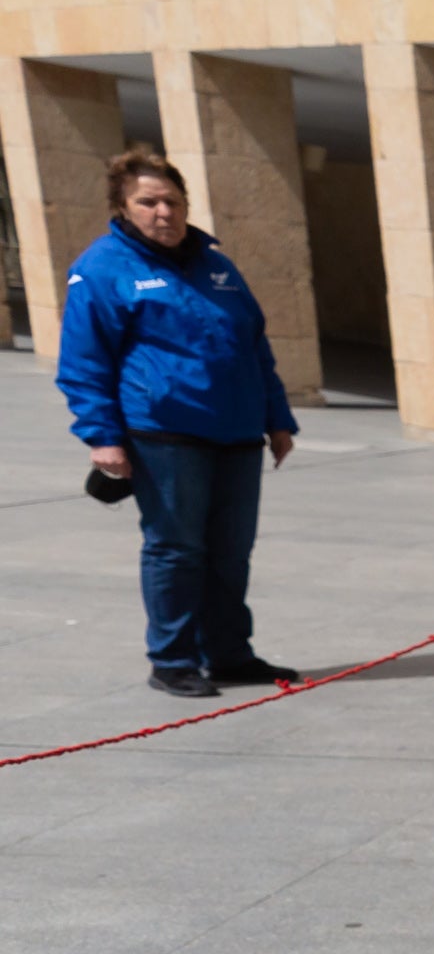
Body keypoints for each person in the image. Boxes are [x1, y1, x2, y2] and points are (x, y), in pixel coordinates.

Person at [58, 148, 301, 699]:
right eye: (148, 202)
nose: (162, 212)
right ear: (123, 207)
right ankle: (172, 660)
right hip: (164, 434)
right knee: (175, 548)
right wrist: (102, 436)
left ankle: (230, 655)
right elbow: (82, 362)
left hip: (237, 434)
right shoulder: (100, 270)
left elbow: (253, 346)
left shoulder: (217, 265)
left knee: (231, 551)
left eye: (172, 201)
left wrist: (277, 418)